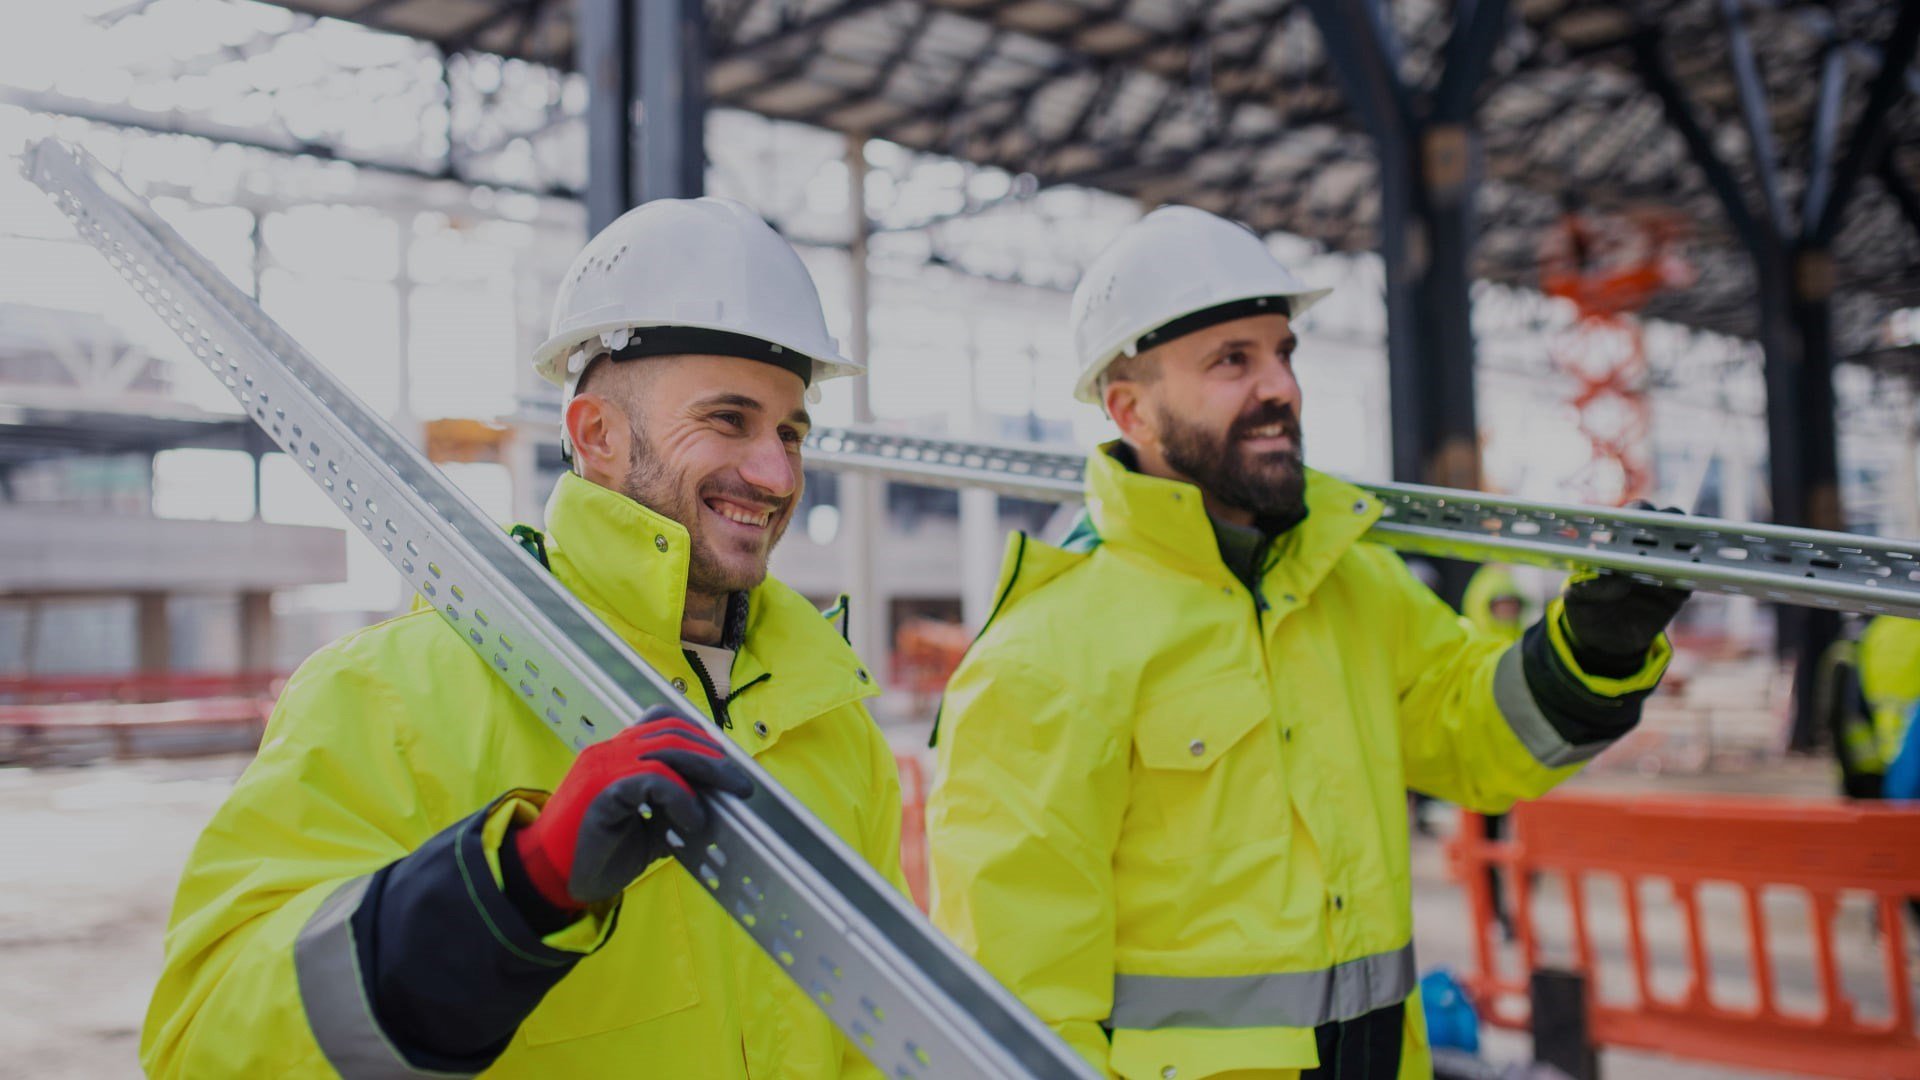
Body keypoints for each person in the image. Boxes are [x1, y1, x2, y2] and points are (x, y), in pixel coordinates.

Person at [142, 198, 906, 1078]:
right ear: (599, 436)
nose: (775, 472)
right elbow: (204, 1044)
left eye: (790, 432)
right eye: (728, 420)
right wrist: (514, 890)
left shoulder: (831, 717)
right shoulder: (392, 695)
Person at [926, 205, 1689, 1079]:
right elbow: (1014, 1014)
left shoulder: (1353, 583)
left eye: (1283, 352)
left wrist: (1595, 649)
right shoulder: (1044, 656)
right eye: (1232, 361)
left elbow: (1475, 739)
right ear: (1130, 410)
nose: (1280, 386)